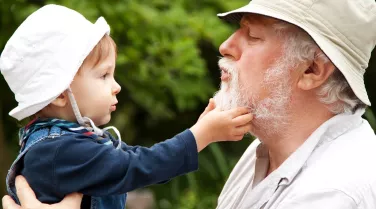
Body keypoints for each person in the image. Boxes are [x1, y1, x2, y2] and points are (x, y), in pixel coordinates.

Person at [0, 4, 253, 209]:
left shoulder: (68, 143)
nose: (116, 86)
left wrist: (198, 131)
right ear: (59, 94)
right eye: (103, 75)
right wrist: (202, 135)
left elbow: (142, 161)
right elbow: (140, 166)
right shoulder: (61, 151)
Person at [213, 0, 376, 208]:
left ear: (311, 70)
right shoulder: (268, 149)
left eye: (253, 36)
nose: (225, 46)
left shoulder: (331, 194)